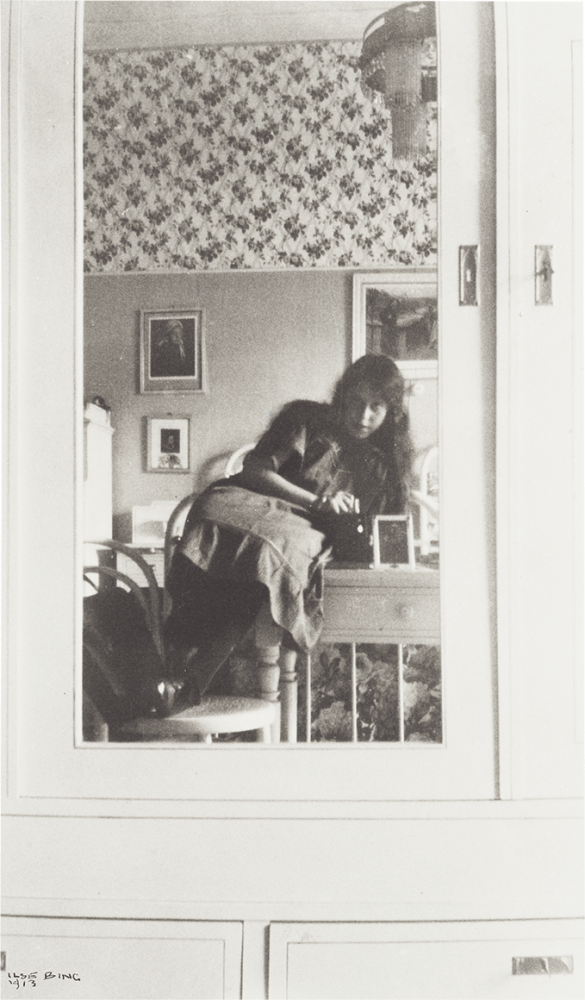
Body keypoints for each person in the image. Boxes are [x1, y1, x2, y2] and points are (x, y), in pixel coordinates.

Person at [161, 354, 413, 709]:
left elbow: (381, 533)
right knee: (209, 508)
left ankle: (186, 676)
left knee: (270, 548)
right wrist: (316, 500)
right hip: (255, 501)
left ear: (391, 412)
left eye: (376, 407)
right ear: (343, 394)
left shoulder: (385, 465)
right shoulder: (305, 418)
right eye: (356, 402)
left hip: (303, 530)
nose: (363, 415)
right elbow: (254, 471)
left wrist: (346, 519)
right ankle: (180, 665)